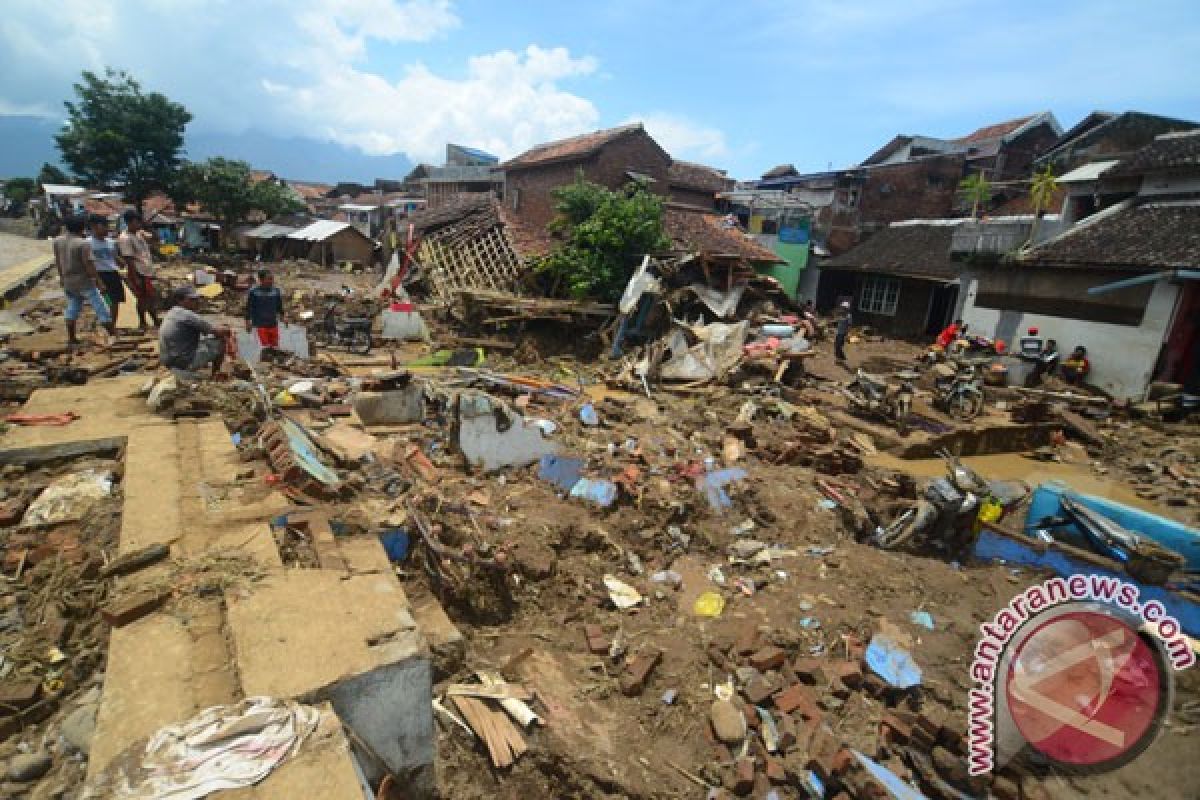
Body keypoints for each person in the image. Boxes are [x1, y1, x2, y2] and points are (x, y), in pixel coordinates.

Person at [53, 214, 116, 346]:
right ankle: (112, 333)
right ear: (82, 228)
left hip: (69, 281)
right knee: (102, 306)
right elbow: (89, 265)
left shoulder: (58, 241)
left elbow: (58, 261)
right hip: (85, 282)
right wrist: (99, 282)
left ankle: (71, 337)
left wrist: (61, 278)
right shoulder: (83, 243)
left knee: (72, 307)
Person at [159, 286, 233, 378]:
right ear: (180, 301)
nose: (197, 302)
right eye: (192, 299)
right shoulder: (188, 315)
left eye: (197, 299)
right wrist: (226, 329)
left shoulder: (172, 312)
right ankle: (215, 374)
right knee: (220, 342)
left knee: (204, 340)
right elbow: (216, 331)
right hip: (182, 362)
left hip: (168, 360)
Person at [117, 210, 159, 330]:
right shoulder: (125, 238)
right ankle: (143, 322)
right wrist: (135, 277)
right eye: (137, 222)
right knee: (143, 298)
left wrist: (149, 226)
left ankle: (152, 320)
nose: (139, 224)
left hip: (146, 271)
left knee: (150, 297)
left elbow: (155, 238)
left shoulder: (140, 233)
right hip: (137, 272)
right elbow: (128, 259)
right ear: (129, 223)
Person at [88, 214, 125, 323]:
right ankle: (105, 322)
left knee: (115, 301)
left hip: (113, 274)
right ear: (93, 227)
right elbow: (88, 263)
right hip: (99, 275)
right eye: (103, 226)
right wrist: (97, 280)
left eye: (106, 225)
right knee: (105, 301)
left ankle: (112, 324)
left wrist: (121, 262)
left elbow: (114, 257)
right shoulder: (88, 243)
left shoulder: (110, 242)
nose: (106, 228)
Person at [245, 269, 285, 349]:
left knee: (275, 348)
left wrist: (283, 316)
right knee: (264, 348)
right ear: (261, 280)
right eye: (269, 279)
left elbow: (279, 306)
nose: (271, 281)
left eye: (272, 279)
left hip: (273, 324)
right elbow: (249, 308)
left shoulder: (276, 291)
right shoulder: (254, 292)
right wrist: (247, 321)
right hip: (260, 325)